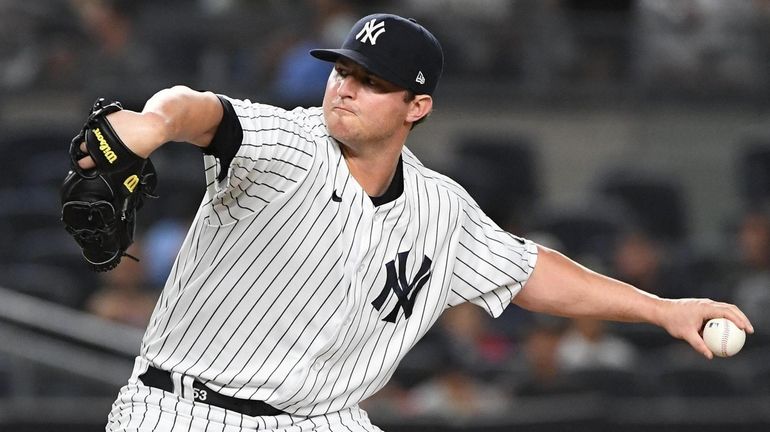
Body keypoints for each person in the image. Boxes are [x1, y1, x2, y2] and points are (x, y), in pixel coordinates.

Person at [72, 13, 753, 432]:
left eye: (370, 80)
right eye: (342, 69)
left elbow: (534, 274)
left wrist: (663, 310)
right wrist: (154, 125)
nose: (344, 85)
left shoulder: (440, 209)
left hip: (323, 423)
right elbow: (201, 109)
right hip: (186, 413)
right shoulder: (285, 142)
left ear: (416, 107)